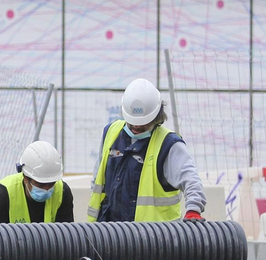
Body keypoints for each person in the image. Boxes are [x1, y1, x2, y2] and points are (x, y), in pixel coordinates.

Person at [87, 78, 206, 222]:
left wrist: (193, 209)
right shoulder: (111, 133)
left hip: (155, 239)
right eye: (132, 123)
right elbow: (97, 182)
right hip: (109, 234)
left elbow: (191, 180)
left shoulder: (168, 145)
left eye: (143, 123)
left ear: (157, 116)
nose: (136, 127)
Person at [0, 140, 74, 223]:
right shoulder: (3, 194)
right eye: (40, 184)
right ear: (25, 178)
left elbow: (65, 237)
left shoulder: (62, 192)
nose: (46, 189)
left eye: (51, 183)